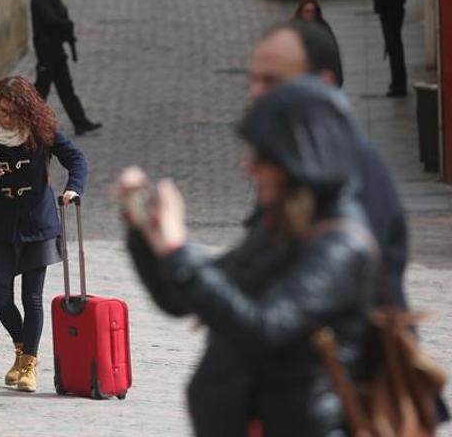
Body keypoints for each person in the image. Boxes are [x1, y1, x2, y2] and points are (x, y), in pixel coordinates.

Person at [118, 78, 378, 436]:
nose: (248, 168)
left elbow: (264, 328)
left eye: (262, 157)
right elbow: (179, 298)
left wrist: (178, 250)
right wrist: (144, 231)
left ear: (299, 161)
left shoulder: (339, 246)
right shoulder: (280, 227)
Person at [248, 21, 407, 307]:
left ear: (323, 83)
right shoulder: (286, 161)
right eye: (254, 80)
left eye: (272, 81)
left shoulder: (355, 166)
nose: (257, 93)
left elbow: (292, 310)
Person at [0, 76, 87, 392]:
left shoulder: (42, 131)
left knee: (31, 296)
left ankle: (29, 363)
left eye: (13, 112)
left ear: (27, 111)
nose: (7, 118)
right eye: (3, 111)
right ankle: (21, 347)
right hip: (0, 223)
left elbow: (76, 159)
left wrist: (73, 189)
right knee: (0, 297)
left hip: (37, 221)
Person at [31, 0, 103, 136]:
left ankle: (80, 122)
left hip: (56, 51)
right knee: (40, 91)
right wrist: (65, 25)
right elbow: (50, 20)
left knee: (66, 90)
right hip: (47, 52)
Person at [373, 0, 407, 97]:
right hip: (390, 12)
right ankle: (397, 83)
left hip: (391, 13)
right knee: (394, 49)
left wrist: (382, 6)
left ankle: (399, 85)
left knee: (394, 49)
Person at [292, 0, 339, 68]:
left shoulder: (324, 29)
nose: (310, 14)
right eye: (307, 11)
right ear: (301, 12)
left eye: (312, 11)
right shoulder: (293, 29)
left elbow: (333, 53)